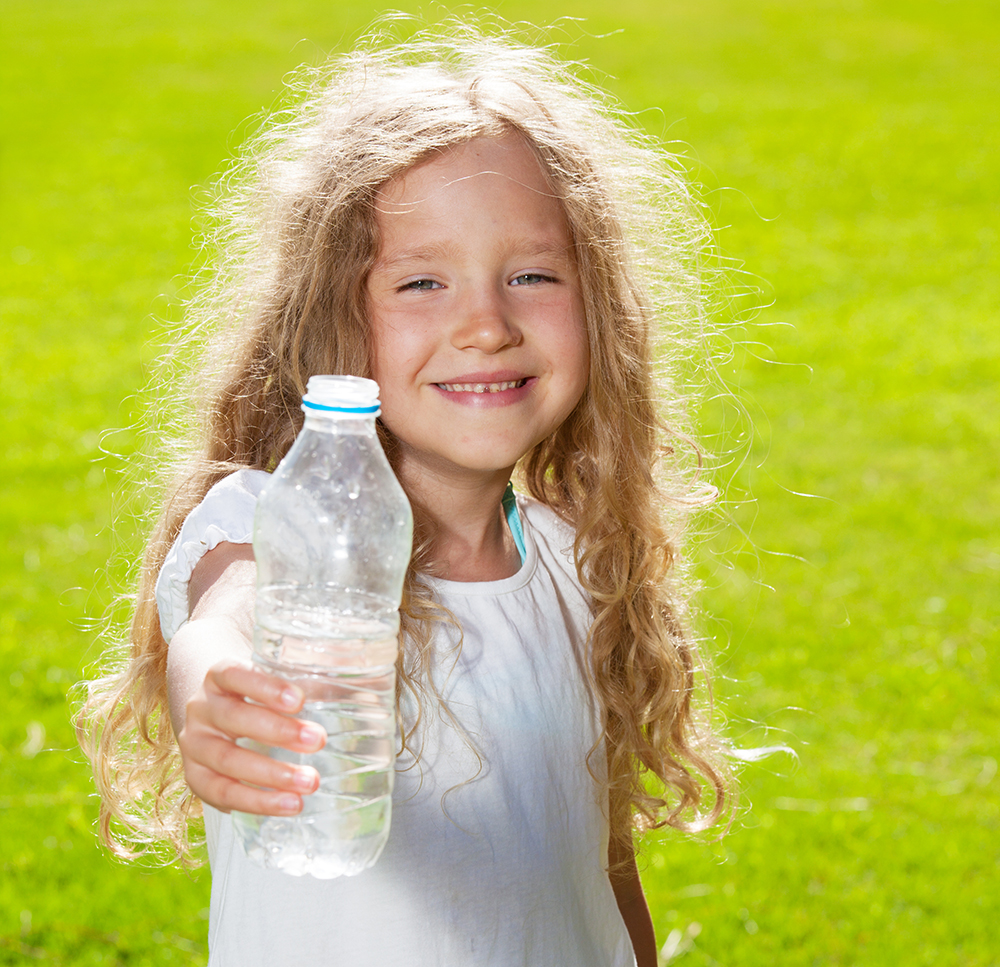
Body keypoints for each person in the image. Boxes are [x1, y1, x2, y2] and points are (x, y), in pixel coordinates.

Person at [79, 24, 731, 967]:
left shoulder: (576, 563)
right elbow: (227, 615)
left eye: (533, 275)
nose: (485, 324)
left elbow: (597, 868)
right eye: (422, 281)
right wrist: (216, 695)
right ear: (333, 315)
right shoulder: (272, 521)